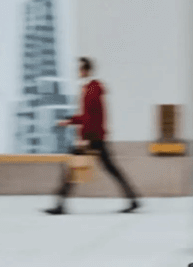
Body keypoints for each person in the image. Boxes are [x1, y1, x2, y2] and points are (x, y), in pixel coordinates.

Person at [45, 57, 140, 215]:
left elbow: (93, 117)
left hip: (93, 137)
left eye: (80, 69)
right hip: (96, 137)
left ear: (85, 70)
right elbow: (86, 116)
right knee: (111, 168)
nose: (78, 72)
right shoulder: (90, 88)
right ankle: (133, 199)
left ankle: (60, 204)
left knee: (72, 166)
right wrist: (68, 121)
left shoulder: (92, 89)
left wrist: (85, 139)